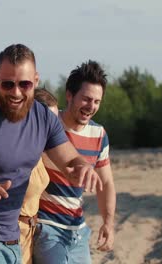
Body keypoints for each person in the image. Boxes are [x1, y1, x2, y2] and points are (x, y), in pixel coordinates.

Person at [0, 44, 102, 264]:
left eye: (24, 84)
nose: (15, 92)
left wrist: (82, 167)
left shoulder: (43, 118)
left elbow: (70, 159)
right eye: (7, 84)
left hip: (14, 239)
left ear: (36, 80)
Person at [33, 61, 116, 264]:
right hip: (46, 226)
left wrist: (108, 223)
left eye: (97, 101)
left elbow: (106, 184)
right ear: (69, 95)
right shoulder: (49, 124)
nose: (91, 106)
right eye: (86, 99)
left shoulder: (99, 134)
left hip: (78, 230)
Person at [18, 88, 58, 264]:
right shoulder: (15, 150)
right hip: (9, 234)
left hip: (30, 233)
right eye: (49, 120)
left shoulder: (40, 151)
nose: (54, 126)